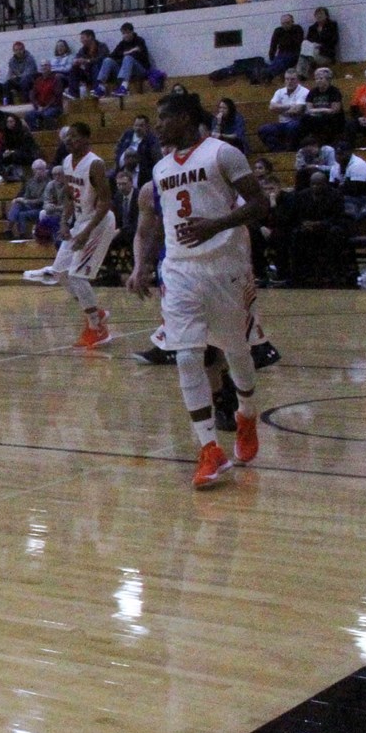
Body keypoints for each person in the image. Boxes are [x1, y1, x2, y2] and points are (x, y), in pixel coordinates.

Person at [126, 91, 268, 489]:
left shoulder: (223, 153)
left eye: (164, 117)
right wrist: (141, 266)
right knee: (186, 356)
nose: (157, 125)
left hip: (227, 266)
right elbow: (152, 224)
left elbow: (260, 206)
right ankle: (209, 449)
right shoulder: (159, 169)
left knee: (236, 349)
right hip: (180, 270)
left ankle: (246, 413)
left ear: (187, 118)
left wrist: (217, 224)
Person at [51, 123, 118, 348]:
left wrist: (86, 233)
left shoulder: (95, 164)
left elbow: (106, 202)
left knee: (77, 276)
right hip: (80, 222)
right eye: (67, 137)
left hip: (99, 222)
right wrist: (63, 222)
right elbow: (70, 197)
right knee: (60, 271)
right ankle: (96, 312)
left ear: (86, 139)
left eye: (75, 137)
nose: (70, 140)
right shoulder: (67, 162)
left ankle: (97, 328)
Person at [258, 68, 310, 152]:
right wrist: (290, 106)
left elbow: (296, 110)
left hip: (298, 123)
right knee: (263, 129)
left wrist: (279, 109)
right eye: (287, 79)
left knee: (292, 126)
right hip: (282, 123)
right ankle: (280, 151)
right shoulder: (279, 92)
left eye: (292, 79)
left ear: (298, 80)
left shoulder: (304, 91)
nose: (289, 82)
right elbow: (271, 107)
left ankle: (291, 150)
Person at [94, 22, 152, 96]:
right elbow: (112, 55)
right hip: (125, 70)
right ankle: (101, 87)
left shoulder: (139, 40)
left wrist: (127, 54)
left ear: (132, 32)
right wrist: (129, 51)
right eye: (123, 33)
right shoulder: (122, 43)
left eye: (127, 33)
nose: (125, 35)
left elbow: (138, 55)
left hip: (140, 69)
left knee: (128, 58)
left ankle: (124, 87)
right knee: (107, 60)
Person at [298, 65, 345, 146]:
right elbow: (309, 109)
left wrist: (318, 110)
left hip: (332, 118)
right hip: (317, 117)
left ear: (328, 80)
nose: (318, 81)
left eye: (321, 78)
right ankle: (303, 145)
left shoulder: (334, 91)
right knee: (304, 119)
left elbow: (334, 110)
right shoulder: (312, 92)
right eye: (316, 79)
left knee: (328, 120)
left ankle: (327, 144)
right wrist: (324, 110)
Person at [6, 158, 52, 239]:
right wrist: (22, 200)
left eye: (41, 169)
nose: (38, 172)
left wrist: (26, 201)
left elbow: (42, 200)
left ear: (45, 170)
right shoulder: (30, 182)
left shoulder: (49, 183)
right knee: (17, 204)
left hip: (42, 208)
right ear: (33, 171)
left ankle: (22, 235)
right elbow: (26, 195)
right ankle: (9, 229)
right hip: (31, 205)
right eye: (36, 169)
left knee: (22, 214)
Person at [69, 29, 109, 97]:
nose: (81, 40)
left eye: (82, 38)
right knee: (73, 69)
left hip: (100, 71)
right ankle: (73, 94)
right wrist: (76, 62)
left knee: (94, 66)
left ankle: (97, 90)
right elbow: (77, 57)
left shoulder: (102, 46)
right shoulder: (82, 49)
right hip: (86, 72)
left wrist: (87, 61)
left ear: (90, 37)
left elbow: (102, 59)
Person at [264, 14, 304, 83]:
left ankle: (269, 74)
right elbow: (273, 45)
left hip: (294, 53)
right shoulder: (278, 30)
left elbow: (297, 43)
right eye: (283, 23)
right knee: (278, 61)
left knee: (281, 61)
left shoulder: (297, 29)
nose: (285, 25)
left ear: (292, 22)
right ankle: (269, 74)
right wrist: (272, 58)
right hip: (282, 54)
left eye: (288, 23)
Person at [27, 61, 63, 129]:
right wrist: (37, 106)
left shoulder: (56, 79)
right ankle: (36, 133)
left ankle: (50, 133)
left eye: (46, 65)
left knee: (47, 115)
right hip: (40, 107)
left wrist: (46, 107)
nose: (44, 67)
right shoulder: (38, 80)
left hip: (54, 107)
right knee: (29, 115)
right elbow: (32, 95)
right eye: (42, 65)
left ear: (50, 67)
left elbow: (57, 97)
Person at [303, 6, 339, 72]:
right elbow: (309, 41)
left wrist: (320, 45)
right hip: (313, 51)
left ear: (326, 15)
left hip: (326, 53)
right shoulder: (312, 28)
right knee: (304, 51)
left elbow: (334, 40)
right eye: (317, 15)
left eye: (321, 14)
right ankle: (301, 74)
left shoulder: (332, 25)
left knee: (307, 56)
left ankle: (302, 74)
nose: (319, 16)